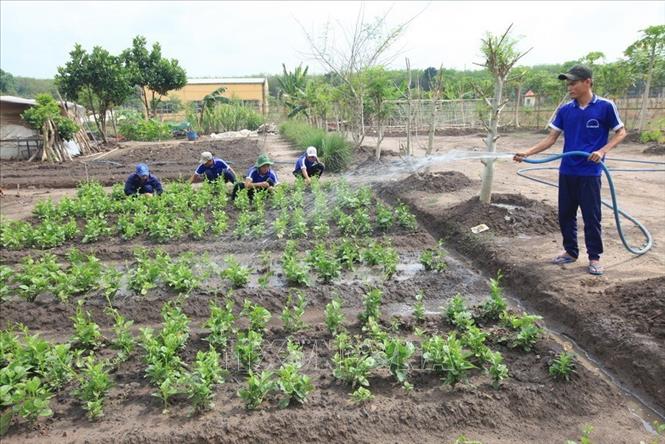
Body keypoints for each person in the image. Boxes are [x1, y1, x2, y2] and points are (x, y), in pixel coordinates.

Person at [513, 65, 626, 276]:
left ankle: (594, 257)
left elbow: (621, 133)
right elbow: (551, 138)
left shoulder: (605, 106)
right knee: (566, 214)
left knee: (592, 217)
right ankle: (570, 252)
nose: (569, 87)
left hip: (590, 173)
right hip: (567, 171)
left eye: (573, 83)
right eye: (568, 84)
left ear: (588, 82)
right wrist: (527, 152)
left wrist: (602, 151)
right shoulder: (566, 110)